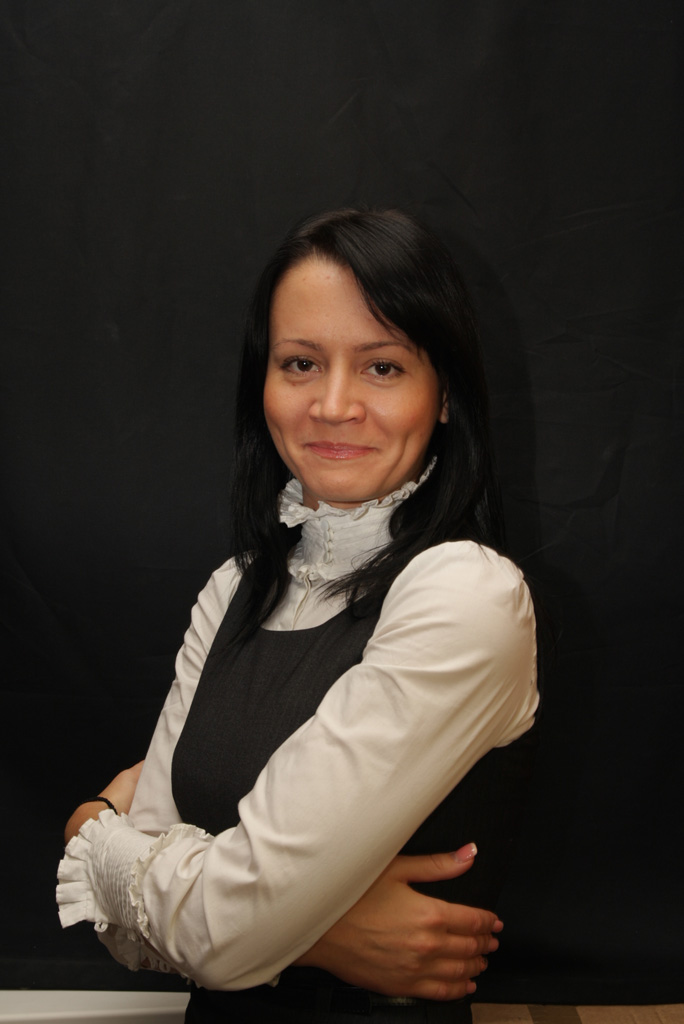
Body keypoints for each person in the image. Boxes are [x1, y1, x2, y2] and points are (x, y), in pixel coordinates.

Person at [58, 208, 539, 1023]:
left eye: (382, 366)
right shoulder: (234, 589)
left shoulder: (465, 596)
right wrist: (322, 933)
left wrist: (89, 832)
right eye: (301, 363)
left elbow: (210, 937)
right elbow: (137, 941)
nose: (334, 404)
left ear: (445, 396)